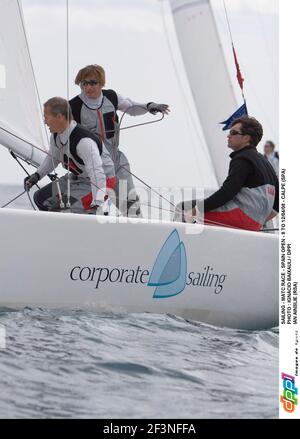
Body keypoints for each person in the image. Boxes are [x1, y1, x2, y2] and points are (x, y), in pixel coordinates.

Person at [69, 64, 170, 217]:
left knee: (132, 210)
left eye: (92, 83)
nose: (87, 87)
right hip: (90, 170)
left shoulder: (111, 97)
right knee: (87, 212)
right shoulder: (73, 106)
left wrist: (150, 106)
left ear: (101, 83)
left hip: (116, 163)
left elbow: (131, 107)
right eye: (84, 83)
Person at [175, 117, 279, 231]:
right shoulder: (265, 162)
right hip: (256, 222)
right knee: (198, 209)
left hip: (240, 218)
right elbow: (278, 203)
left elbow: (227, 193)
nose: (228, 136)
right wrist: (259, 221)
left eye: (233, 133)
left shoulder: (242, 158)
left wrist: (197, 210)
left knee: (184, 208)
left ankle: (180, 245)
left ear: (246, 138)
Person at [24, 97, 116, 214]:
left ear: (60, 117)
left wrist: (97, 202)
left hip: (102, 182)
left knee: (62, 209)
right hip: (79, 178)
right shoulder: (56, 135)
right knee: (40, 198)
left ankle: (86, 222)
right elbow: (52, 158)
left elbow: (97, 173)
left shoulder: (83, 141)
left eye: (46, 117)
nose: (45, 121)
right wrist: (37, 175)